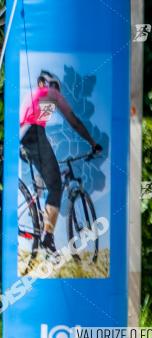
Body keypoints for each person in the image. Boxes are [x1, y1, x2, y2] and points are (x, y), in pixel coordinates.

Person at [19, 70, 102, 253]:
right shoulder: (53, 93)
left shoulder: (35, 95)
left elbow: (34, 120)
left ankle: (39, 225)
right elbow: (75, 123)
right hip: (33, 134)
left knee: (49, 181)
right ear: (53, 85)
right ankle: (48, 237)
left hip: (23, 135)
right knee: (56, 185)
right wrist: (93, 143)